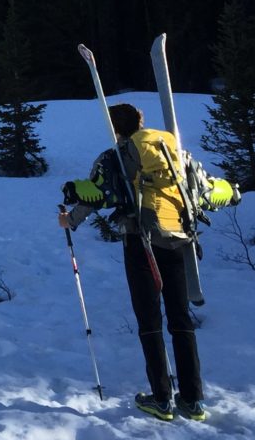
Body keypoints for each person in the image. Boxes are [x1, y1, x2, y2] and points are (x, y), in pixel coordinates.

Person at [59, 103, 238, 422]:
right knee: (181, 319)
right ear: (142, 123)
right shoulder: (176, 154)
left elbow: (98, 193)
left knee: (149, 321)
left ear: (116, 128)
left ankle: (161, 399)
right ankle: (193, 400)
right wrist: (231, 191)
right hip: (178, 241)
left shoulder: (119, 155)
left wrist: (70, 215)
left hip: (140, 242)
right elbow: (208, 190)